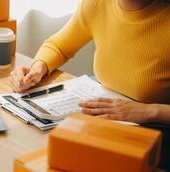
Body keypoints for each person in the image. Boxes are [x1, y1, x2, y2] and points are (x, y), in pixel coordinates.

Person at [11, 0, 170, 125]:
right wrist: (38, 68)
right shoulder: (98, 3)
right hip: (106, 113)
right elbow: (59, 46)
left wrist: (150, 111)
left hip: (155, 126)